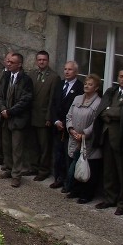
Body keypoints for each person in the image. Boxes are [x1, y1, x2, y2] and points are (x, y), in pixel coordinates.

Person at [94, 68, 123, 214]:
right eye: (121, 76)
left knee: (122, 173)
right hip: (107, 135)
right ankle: (110, 198)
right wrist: (110, 112)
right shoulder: (111, 91)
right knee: (108, 170)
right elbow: (101, 110)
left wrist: (110, 111)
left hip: (121, 138)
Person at [0, 52, 34, 188]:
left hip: (17, 119)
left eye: (12, 62)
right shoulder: (5, 76)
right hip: (4, 117)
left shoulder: (25, 80)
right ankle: (8, 169)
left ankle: (17, 175)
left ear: (19, 64)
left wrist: (10, 112)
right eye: (8, 61)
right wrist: (2, 109)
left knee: (17, 148)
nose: (8, 64)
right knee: (6, 145)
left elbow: (26, 100)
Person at [64, 74, 103, 203]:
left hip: (88, 141)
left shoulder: (98, 103)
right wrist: (71, 129)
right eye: (86, 83)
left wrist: (84, 134)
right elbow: (69, 116)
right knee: (74, 165)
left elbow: (96, 123)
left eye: (90, 84)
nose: (86, 86)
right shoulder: (77, 98)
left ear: (96, 88)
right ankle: (75, 190)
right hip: (74, 137)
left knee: (88, 166)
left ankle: (86, 194)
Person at [49, 61, 83, 189]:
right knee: (57, 154)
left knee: (68, 155)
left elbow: (76, 109)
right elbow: (53, 103)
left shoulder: (80, 87)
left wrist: (65, 123)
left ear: (76, 72)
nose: (67, 72)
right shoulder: (60, 84)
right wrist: (55, 120)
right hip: (57, 125)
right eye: (65, 69)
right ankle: (58, 178)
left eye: (70, 70)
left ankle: (68, 183)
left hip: (70, 127)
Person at [29, 51, 59, 180]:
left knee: (44, 146)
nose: (41, 62)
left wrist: (49, 117)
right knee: (33, 144)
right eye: (39, 60)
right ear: (36, 61)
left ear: (48, 61)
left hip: (43, 116)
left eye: (44, 60)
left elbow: (53, 99)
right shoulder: (32, 74)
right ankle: (33, 166)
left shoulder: (53, 77)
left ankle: (44, 170)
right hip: (32, 115)